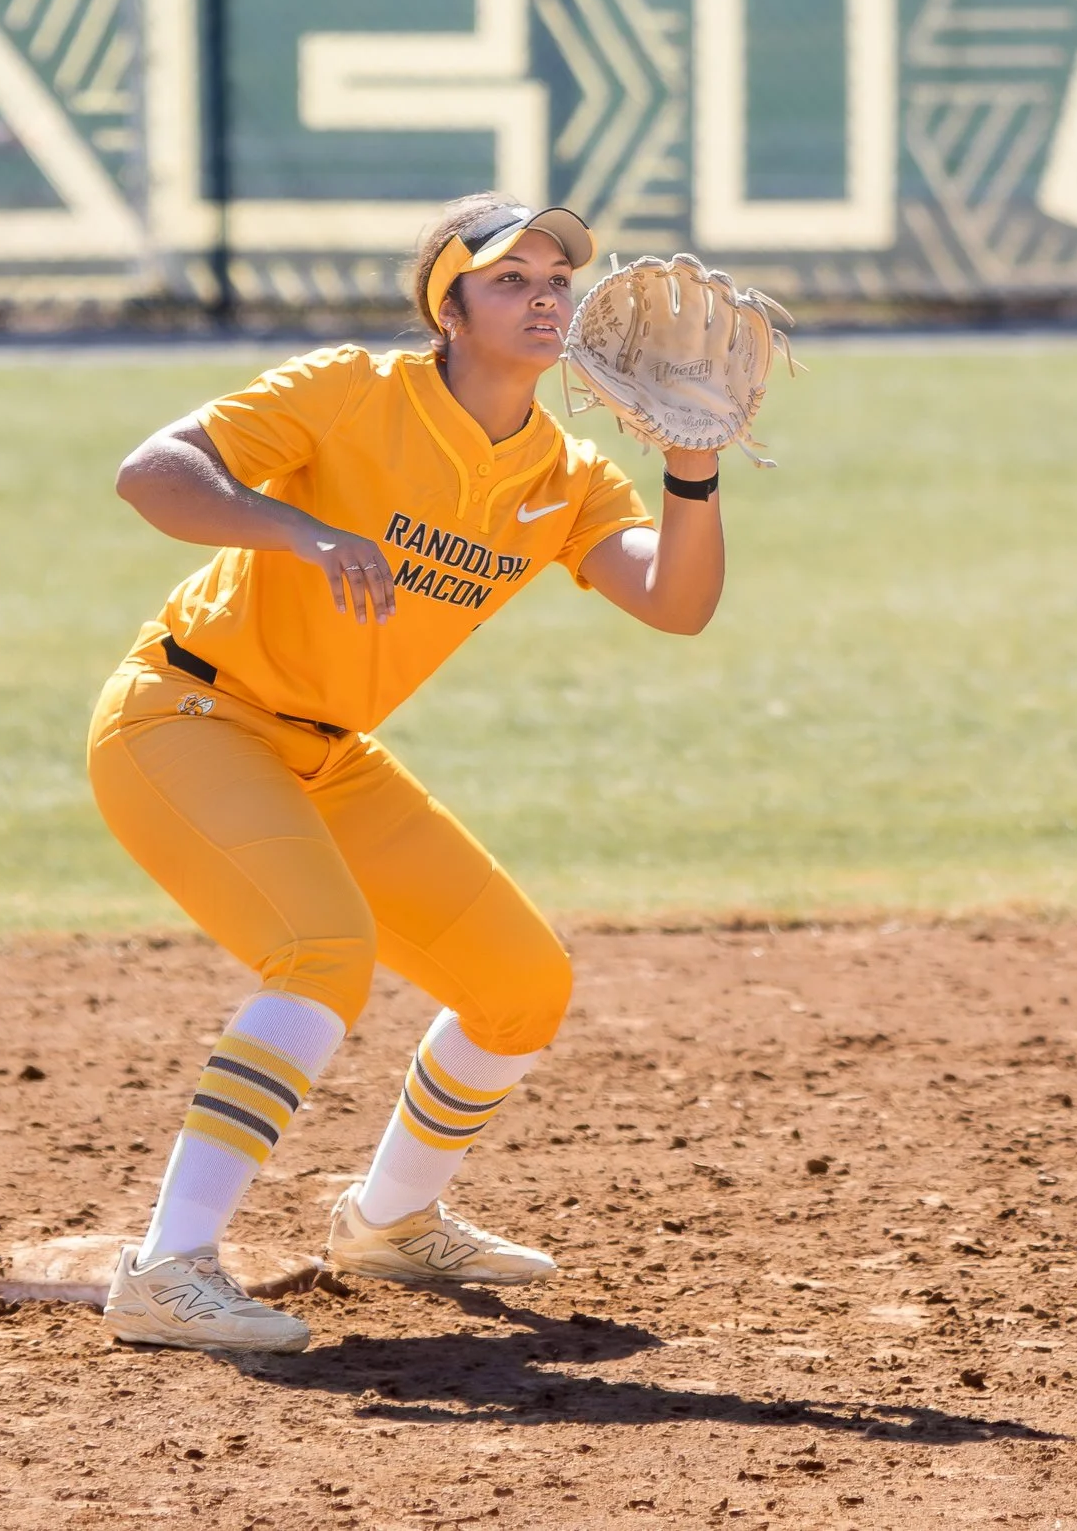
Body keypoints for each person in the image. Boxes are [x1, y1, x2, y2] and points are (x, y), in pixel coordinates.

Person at [89, 194, 734, 1352]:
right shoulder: (350, 392)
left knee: (520, 982)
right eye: (508, 277)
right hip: (186, 713)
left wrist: (693, 465)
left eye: (557, 276)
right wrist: (294, 528)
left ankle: (388, 1221)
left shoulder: (564, 474)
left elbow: (674, 603)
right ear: (447, 308)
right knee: (321, 952)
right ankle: (166, 1268)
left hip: (328, 752)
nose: (545, 294)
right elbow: (152, 473)